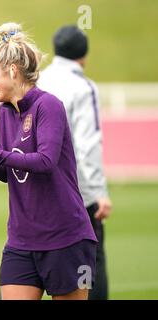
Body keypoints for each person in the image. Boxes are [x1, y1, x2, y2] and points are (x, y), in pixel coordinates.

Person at [0, 22, 97, 300]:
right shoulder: (4, 111)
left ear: (12, 71)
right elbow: (9, 171)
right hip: (21, 241)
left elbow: (45, 161)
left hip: (65, 238)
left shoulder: (49, 105)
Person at [37, 25, 112, 300]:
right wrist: (98, 193)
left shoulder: (37, 80)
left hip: (36, 188)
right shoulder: (83, 87)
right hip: (75, 191)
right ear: (84, 55)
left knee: (26, 257)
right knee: (90, 264)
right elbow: (87, 145)